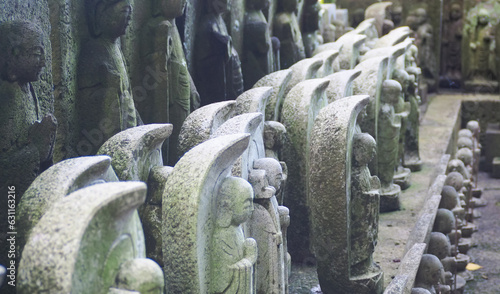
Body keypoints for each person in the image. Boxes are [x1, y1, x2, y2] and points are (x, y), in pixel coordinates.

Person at [78, 0, 141, 155]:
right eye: (124, 12)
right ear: (101, 14)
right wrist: (109, 88)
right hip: (108, 132)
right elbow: (87, 99)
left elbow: (128, 92)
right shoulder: (94, 50)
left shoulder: (116, 49)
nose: (128, 19)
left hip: (128, 126)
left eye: (130, 14)